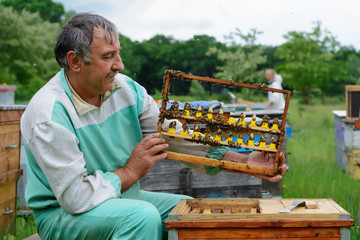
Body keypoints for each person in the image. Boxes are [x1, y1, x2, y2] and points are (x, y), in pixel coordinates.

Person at [21, 13, 286, 240]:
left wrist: (245, 161)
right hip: (62, 215)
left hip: (118, 198)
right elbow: (75, 197)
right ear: (75, 61)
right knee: (141, 217)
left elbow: (174, 136)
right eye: (108, 56)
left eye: (118, 54)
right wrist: (130, 171)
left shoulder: (126, 90)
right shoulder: (49, 114)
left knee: (188, 211)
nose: (119, 65)